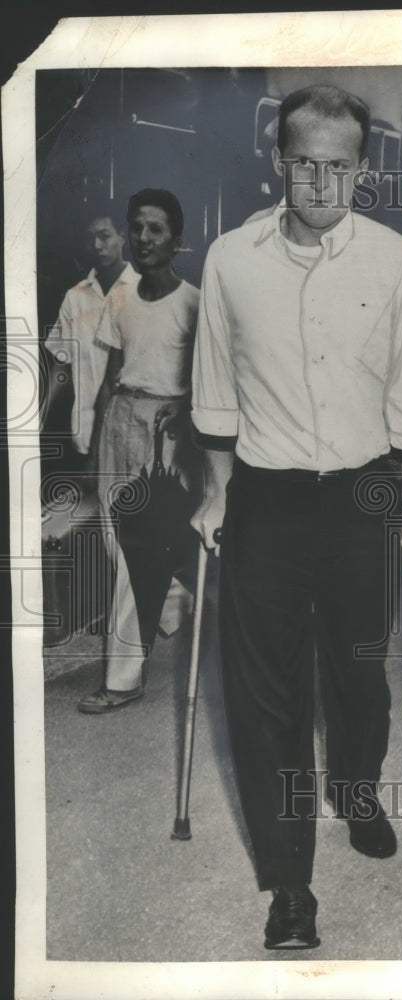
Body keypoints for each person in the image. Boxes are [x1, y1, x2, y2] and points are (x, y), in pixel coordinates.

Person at [190, 84, 402, 950]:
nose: (323, 184)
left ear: (363, 170)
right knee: (267, 695)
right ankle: (289, 884)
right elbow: (217, 394)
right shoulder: (229, 260)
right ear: (279, 162)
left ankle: (359, 787)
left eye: (340, 167)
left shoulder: (396, 263)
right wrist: (216, 491)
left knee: (360, 668)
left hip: (366, 490)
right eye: (306, 164)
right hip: (265, 489)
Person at [78, 189, 200, 714]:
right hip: (120, 426)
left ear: (178, 239)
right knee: (116, 546)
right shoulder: (119, 298)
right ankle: (170, 611)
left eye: (156, 229)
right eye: (137, 228)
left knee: (144, 554)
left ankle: (124, 679)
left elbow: (211, 380)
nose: (144, 238)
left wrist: (188, 410)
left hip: (169, 437)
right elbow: (110, 379)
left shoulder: (194, 302)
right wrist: (96, 442)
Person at [43, 203, 138, 465]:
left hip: (133, 434)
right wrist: (39, 414)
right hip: (84, 432)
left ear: (122, 236)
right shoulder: (75, 298)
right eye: (90, 238)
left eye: (104, 236)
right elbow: (62, 366)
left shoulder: (143, 292)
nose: (97, 245)